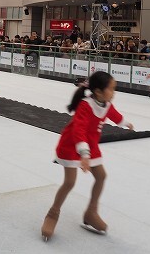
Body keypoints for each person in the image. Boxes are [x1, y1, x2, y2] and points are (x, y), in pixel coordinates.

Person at [41, 71, 134, 241]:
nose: (114, 93)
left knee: (101, 176)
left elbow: (113, 114)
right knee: (69, 182)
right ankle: (53, 213)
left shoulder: (105, 103)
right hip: (71, 145)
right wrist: (83, 155)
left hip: (90, 145)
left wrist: (125, 123)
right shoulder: (85, 105)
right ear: (98, 92)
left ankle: (91, 212)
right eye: (111, 89)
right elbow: (79, 130)